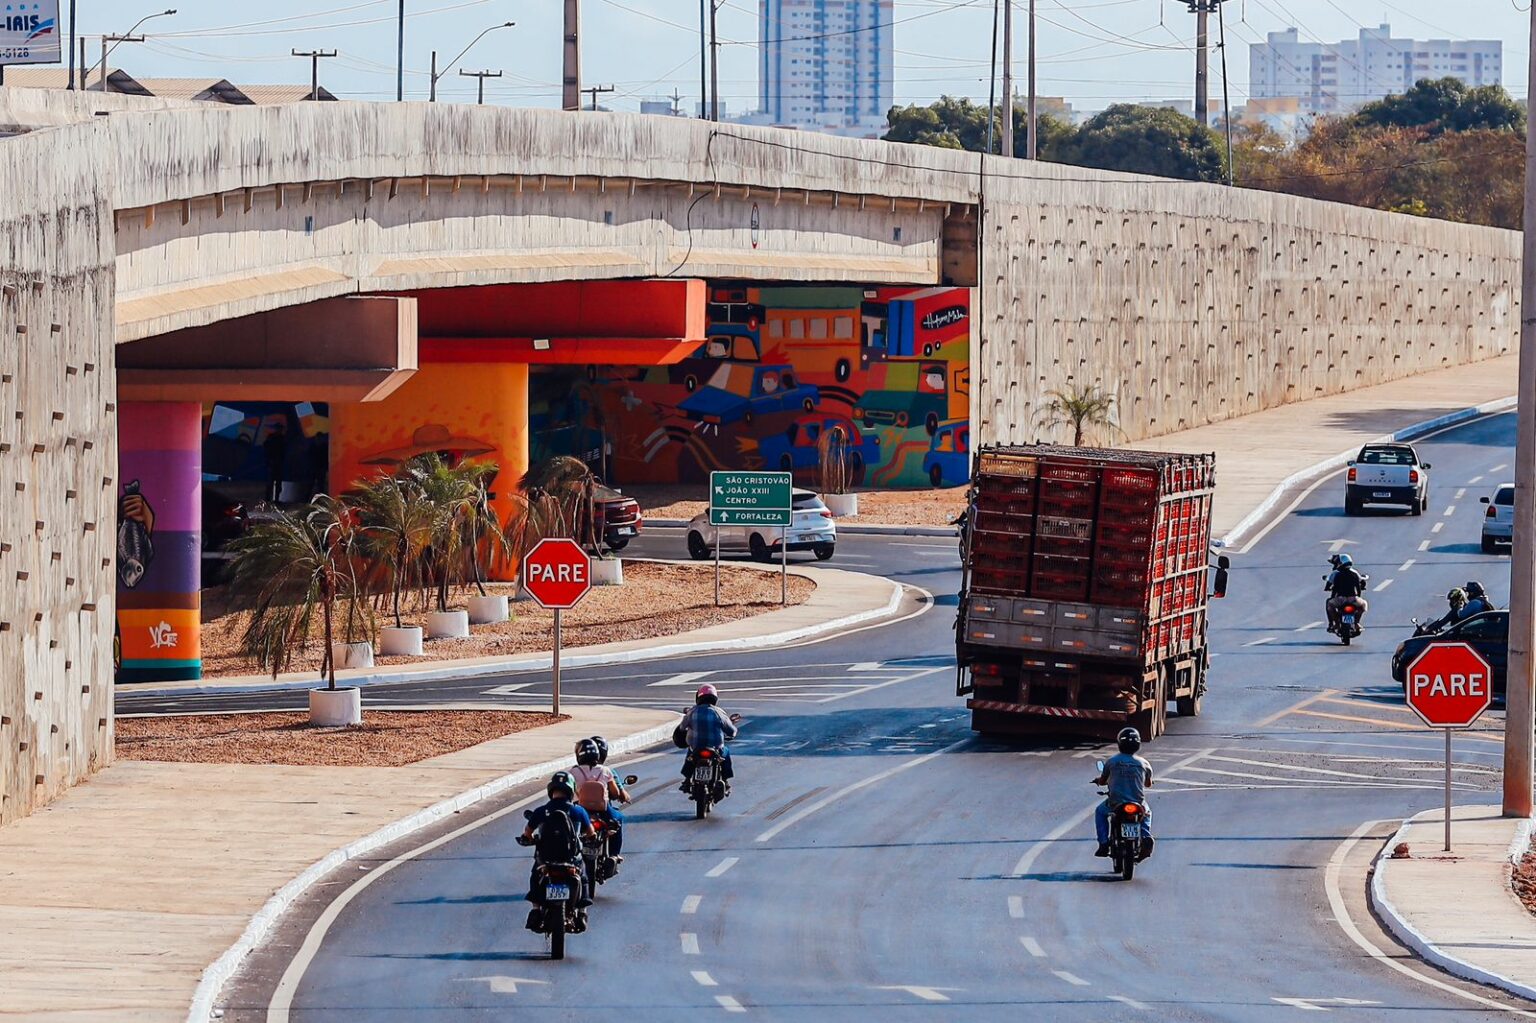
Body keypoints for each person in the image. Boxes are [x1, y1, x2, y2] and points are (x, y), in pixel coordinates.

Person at [520, 771, 596, 931]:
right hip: (571, 859)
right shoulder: (579, 811)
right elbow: (591, 833)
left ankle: (535, 910)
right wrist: (590, 837)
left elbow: (527, 833)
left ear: (551, 790)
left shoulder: (541, 811)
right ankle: (582, 912)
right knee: (583, 877)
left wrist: (529, 839)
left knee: (535, 875)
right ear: (570, 790)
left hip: (546, 860)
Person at [1093, 727, 1154, 860]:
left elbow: (1103, 780)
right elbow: (1148, 783)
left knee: (1100, 812)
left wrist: (1099, 780)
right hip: (1138, 802)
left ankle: (1103, 843)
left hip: (1116, 802)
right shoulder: (1144, 763)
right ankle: (1145, 836)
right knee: (1147, 813)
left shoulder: (1112, 761)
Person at [572, 737, 630, 861]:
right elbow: (615, 792)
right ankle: (614, 854)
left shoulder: (573, 772)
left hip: (579, 808)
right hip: (603, 810)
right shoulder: (606, 771)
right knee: (618, 820)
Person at [677, 684, 738, 794]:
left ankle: (687, 780)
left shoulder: (692, 712)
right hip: (715, 748)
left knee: (690, 754)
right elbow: (731, 731)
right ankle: (725, 780)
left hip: (696, 747)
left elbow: (682, 727)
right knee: (726, 753)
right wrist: (731, 735)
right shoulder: (719, 712)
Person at [1324, 553, 1368, 633]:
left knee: (1329, 604)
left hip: (1340, 599)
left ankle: (1334, 624)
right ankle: (1357, 623)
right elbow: (1361, 583)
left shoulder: (1336, 573)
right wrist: (1358, 596)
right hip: (1353, 599)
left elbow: (1330, 585)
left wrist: (1327, 588)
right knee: (1364, 605)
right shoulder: (1354, 573)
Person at [262, 422, 288, 503]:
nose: (279, 430)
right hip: (272, 463)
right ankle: (268, 499)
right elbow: (266, 446)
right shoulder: (272, 437)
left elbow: (284, 450)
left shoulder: (281, 438)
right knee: (271, 482)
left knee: (277, 483)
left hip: (278, 463)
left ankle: (275, 499)